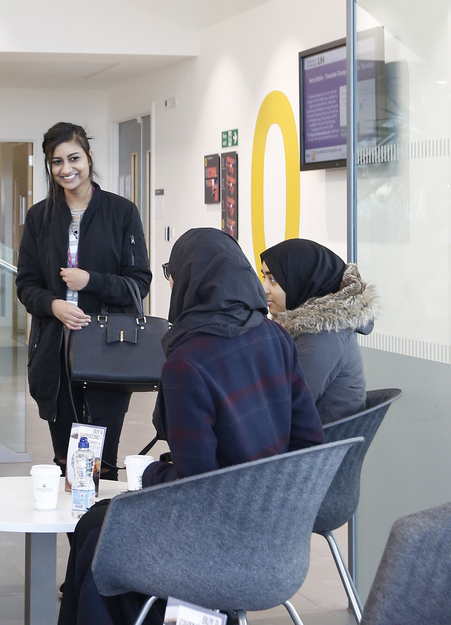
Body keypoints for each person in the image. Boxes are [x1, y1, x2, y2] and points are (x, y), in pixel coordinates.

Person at [58, 228, 324, 625]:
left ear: (189, 280)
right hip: (278, 537)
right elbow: (310, 442)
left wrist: (148, 472)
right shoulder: (275, 336)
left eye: (172, 271)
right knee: (100, 524)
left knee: (98, 529)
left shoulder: (188, 361)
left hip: (214, 540)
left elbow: (193, 488)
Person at [16, 121, 151, 479]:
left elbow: (139, 283)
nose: (66, 169)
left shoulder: (122, 212)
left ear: (89, 157)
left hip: (108, 349)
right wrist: (53, 305)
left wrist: (91, 281)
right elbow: (26, 284)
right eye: (56, 162)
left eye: (73, 158)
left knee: (101, 464)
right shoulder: (39, 217)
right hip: (55, 352)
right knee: (68, 463)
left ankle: (97, 533)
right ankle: (76, 533)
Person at [260, 238, 378, 423]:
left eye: (273, 279)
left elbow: (282, 408)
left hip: (321, 447)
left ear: (302, 279)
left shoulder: (324, 336)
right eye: (264, 278)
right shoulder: (307, 330)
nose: (264, 288)